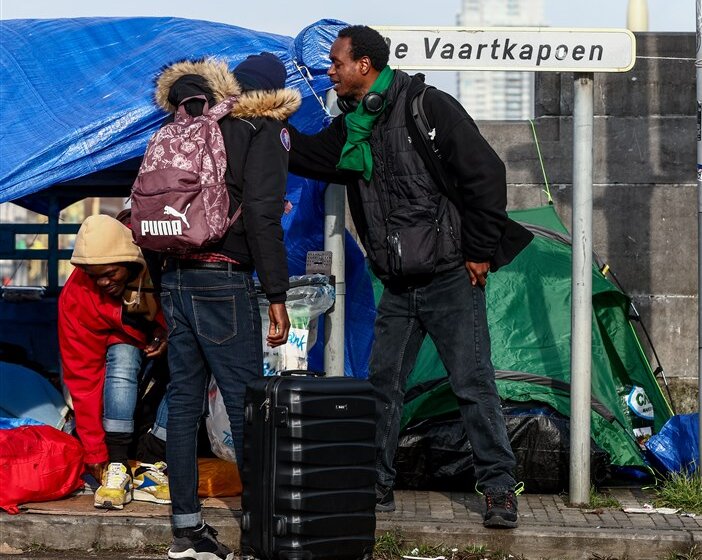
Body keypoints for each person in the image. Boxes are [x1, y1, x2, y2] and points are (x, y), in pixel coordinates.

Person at [287, 25, 532, 529]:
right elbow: (312, 157)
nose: (329, 71)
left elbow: (486, 173)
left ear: (365, 66)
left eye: (336, 62)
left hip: (449, 275)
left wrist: (479, 252)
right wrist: (267, 125)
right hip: (397, 283)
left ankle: (500, 490)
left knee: (472, 384)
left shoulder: (428, 106)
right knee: (382, 385)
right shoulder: (355, 124)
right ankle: (376, 486)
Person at [153, 52, 298, 560]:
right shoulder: (263, 129)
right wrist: (277, 296)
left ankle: (186, 531)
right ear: (275, 92)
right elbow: (262, 217)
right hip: (222, 279)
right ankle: (262, 533)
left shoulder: (197, 123)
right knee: (245, 405)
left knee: (186, 404)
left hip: (175, 276)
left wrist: (161, 286)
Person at [59, 213, 170, 510]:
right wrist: (95, 453)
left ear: (130, 260)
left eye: (110, 273)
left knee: (193, 367)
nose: (103, 282)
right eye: (94, 276)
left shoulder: (162, 253)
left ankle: (153, 460)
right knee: (122, 357)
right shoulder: (77, 298)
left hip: (171, 334)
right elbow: (84, 378)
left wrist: (167, 330)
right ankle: (119, 464)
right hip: (124, 338)